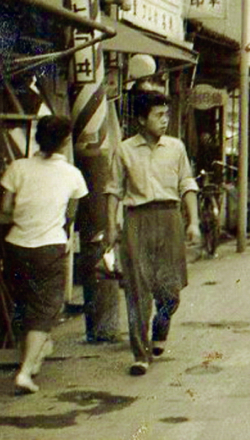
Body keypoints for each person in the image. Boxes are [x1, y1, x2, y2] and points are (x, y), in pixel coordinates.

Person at [103, 91, 199, 376]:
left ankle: (161, 327)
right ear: (142, 119)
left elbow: (187, 185)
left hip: (170, 219)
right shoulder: (124, 150)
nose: (165, 120)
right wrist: (111, 226)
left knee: (171, 291)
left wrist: (193, 222)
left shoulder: (176, 147)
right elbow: (113, 191)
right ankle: (140, 354)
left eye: (166, 114)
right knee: (137, 289)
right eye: (159, 115)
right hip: (136, 221)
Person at [0, 115, 89, 394]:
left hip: (16, 245)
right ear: (65, 142)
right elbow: (72, 214)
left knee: (26, 304)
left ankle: (35, 354)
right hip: (49, 247)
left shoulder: (18, 167)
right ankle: (25, 371)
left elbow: (5, 208)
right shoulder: (72, 174)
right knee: (45, 308)